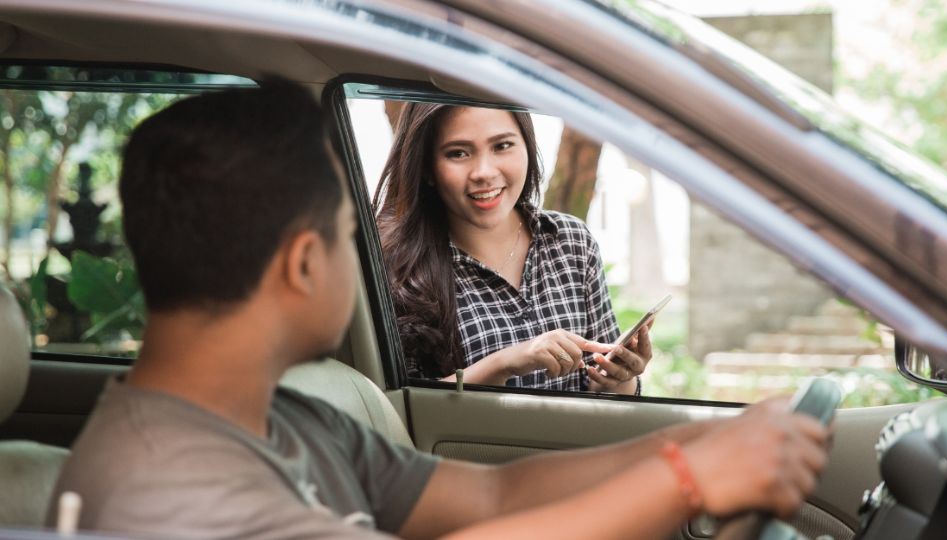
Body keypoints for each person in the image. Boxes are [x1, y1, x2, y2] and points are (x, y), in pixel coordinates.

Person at [48, 80, 830, 540]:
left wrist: (701, 439)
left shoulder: (288, 419)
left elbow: (491, 497)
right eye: (350, 238)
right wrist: (688, 480)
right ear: (304, 263)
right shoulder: (172, 491)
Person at [375, 103, 648, 395]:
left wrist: (620, 378)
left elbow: (602, 388)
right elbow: (400, 409)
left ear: (527, 148)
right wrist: (505, 363)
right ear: (427, 167)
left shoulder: (572, 241)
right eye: (458, 153)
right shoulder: (397, 266)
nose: (484, 172)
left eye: (502, 146)